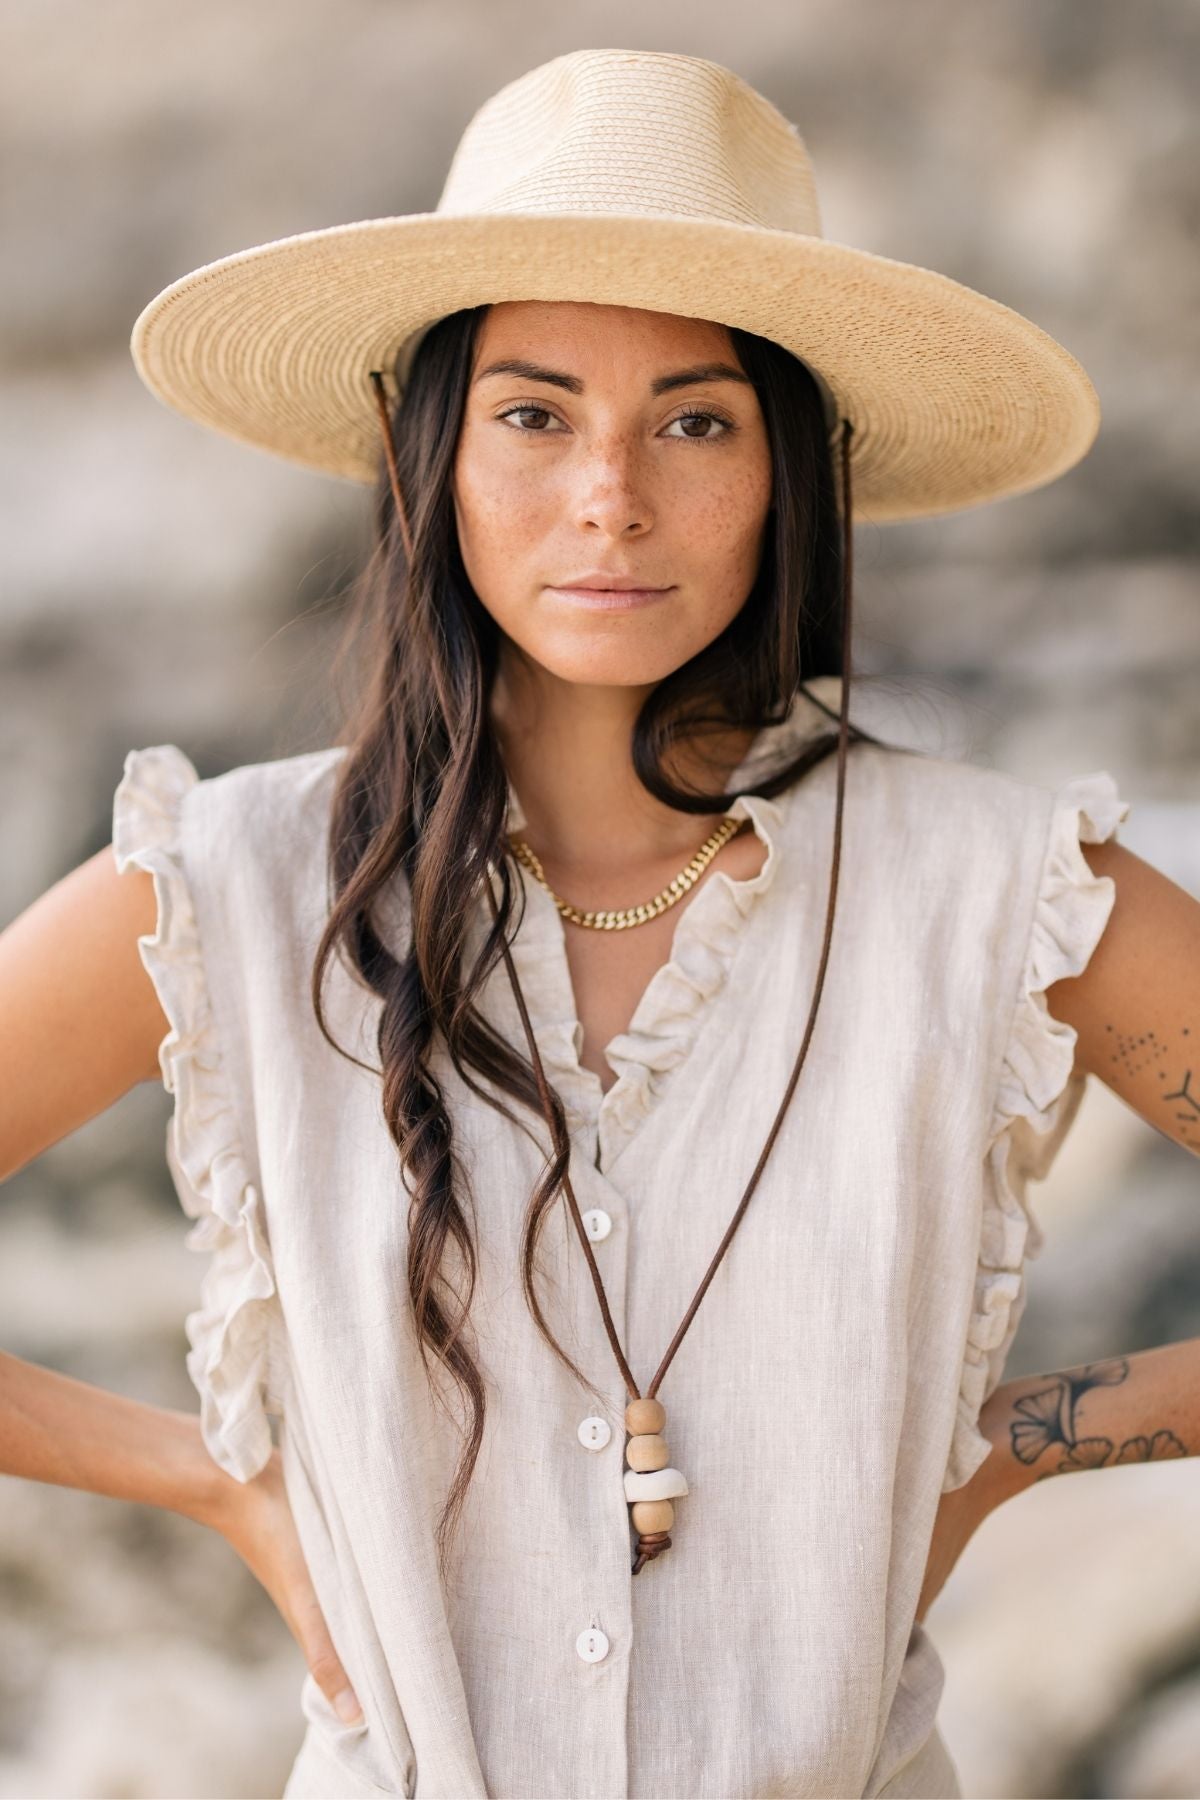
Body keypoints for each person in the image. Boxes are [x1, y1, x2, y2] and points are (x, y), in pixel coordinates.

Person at [2, 45, 1198, 1800]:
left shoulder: (1000, 896)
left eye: (696, 420)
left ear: (788, 461)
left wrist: (1020, 1441)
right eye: (534, 412)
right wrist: (217, 1478)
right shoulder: (231, 886)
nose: (611, 498)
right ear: (435, 454)